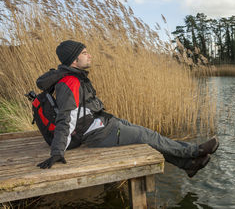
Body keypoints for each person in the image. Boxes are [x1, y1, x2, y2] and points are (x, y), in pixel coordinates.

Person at [36, 40, 219, 178]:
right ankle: (194, 152)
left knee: (147, 134)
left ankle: (188, 164)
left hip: (103, 122)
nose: (89, 55)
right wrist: (57, 152)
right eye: (84, 53)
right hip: (97, 133)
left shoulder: (74, 77)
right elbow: (66, 118)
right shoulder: (70, 82)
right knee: (149, 137)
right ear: (74, 60)